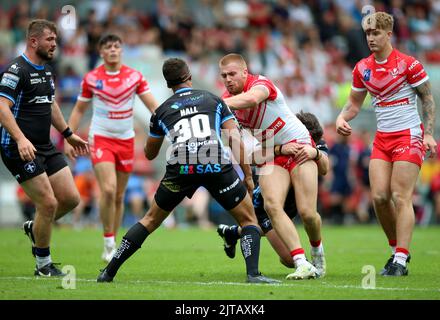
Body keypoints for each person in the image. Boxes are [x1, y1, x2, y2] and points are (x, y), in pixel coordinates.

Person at [96, 58, 279, 284]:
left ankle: (108, 272)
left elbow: (150, 154)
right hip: (214, 163)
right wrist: (248, 177)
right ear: (189, 76)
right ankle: (253, 274)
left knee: (150, 220)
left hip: (181, 166)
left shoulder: (161, 111)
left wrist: (154, 135)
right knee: (249, 221)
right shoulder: (214, 99)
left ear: (167, 84)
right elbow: (234, 139)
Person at [335, 12, 437, 276]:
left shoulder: (408, 64)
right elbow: (354, 103)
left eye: (376, 33)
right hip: (382, 138)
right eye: (368, 34)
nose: (371, 38)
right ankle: (396, 251)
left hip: (408, 135)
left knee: (400, 195)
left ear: (389, 35)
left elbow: (427, 99)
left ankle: (400, 261)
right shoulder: (362, 68)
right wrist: (341, 117)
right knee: (379, 197)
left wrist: (428, 133)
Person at [219, 53, 324, 280]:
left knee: (308, 213)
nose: (227, 79)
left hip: (300, 146)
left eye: (232, 74)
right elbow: (248, 150)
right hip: (274, 155)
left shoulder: (261, 84)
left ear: (245, 72)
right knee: (272, 205)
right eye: (223, 76)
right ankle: (301, 263)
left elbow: (252, 100)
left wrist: (217, 103)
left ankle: (317, 251)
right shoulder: (228, 105)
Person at [0, 19, 88, 276]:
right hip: (18, 147)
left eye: (56, 40)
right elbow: (2, 107)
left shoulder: (47, 70)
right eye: (50, 39)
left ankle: (34, 228)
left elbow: (50, 104)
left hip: (44, 145)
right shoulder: (16, 70)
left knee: (71, 199)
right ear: (33, 41)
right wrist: (20, 139)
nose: (54, 45)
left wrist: (68, 134)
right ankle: (43, 266)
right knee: (48, 203)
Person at [64, 34, 159, 262]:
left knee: (118, 195)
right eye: (109, 47)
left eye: (117, 46)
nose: (114, 50)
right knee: (107, 189)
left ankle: (113, 239)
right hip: (102, 138)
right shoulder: (91, 78)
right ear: (101, 52)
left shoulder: (134, 77)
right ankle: (107, 241)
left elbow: (153, 106)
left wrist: (170, 121)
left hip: (126, 140)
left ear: (122, 51)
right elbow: (77, 110)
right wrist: (69, 136)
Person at [218, 111, 329, 271]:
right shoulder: (277, 138)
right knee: (289, 260)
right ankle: (300, 261)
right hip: (265, 205)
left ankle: (232, 233)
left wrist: (316, 153)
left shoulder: (314, 141)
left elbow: (324, 169)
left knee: (308, 215)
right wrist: (279, 150)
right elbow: (251, 156)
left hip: (293, 200)